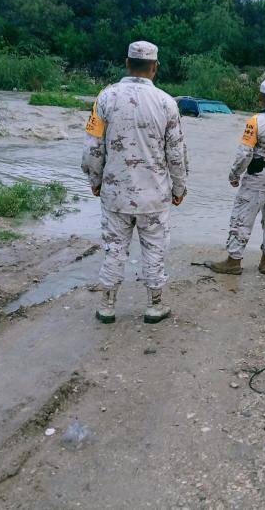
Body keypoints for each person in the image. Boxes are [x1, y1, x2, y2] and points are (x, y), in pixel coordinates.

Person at [81, 41, 188, 325]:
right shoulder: (167, 103)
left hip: (115, 194)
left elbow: (93, 147)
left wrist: (95, 179)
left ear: (127, 63)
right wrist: (179, 188)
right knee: (154, 249)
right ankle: (154, 306)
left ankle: (107, 305)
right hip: (154, 195)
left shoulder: (105, 98)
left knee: (114, 249)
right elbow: (176, 153)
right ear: (155, 68)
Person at [206, 79, 265, 275]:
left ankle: (233, 261)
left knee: (242, 219)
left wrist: (234, 174)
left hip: (258, 178)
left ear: (260, 97)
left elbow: (245, 153)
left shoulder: (255, 121)